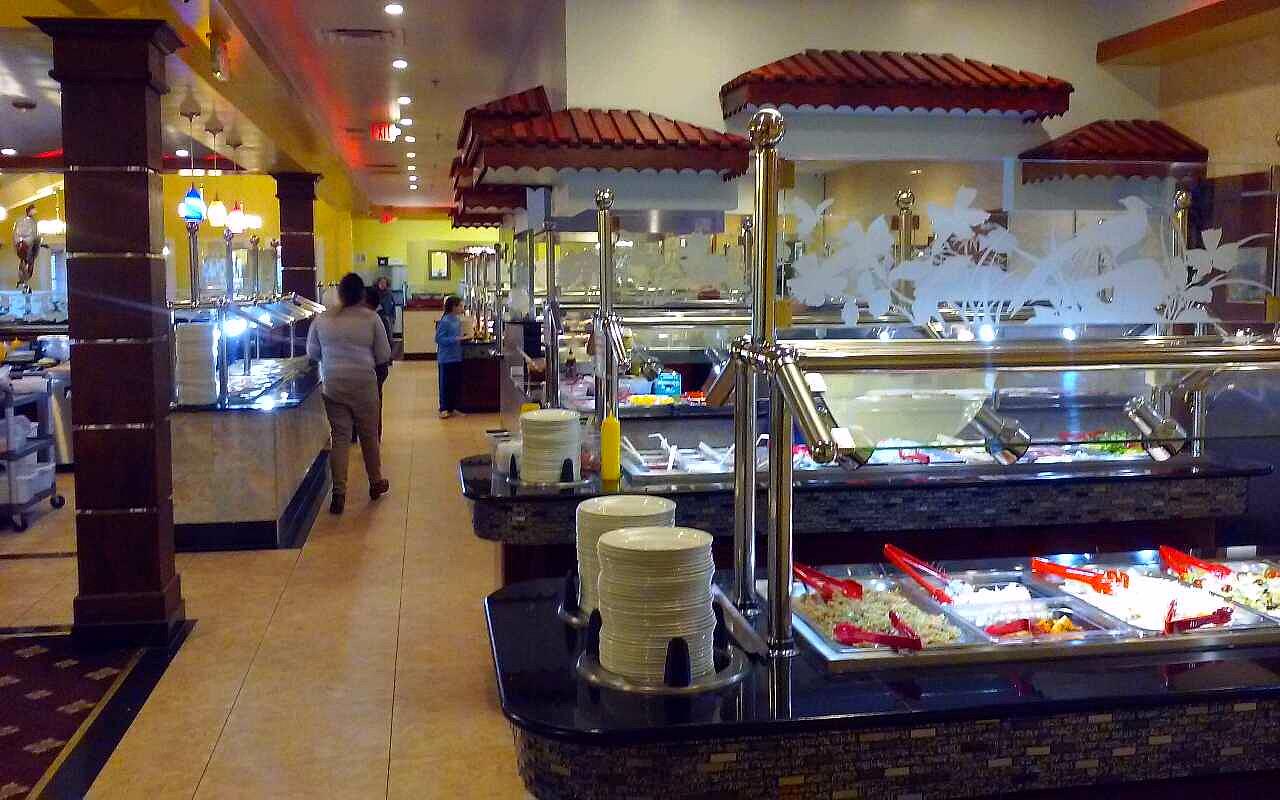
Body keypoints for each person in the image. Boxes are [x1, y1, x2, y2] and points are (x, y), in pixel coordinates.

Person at [307, 273, 392, 514]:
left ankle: (339, 493)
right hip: (364, 384)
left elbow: (313, 352)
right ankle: (375, 482)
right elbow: (384, 354)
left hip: (333, 384)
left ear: (340, 293)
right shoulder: (371, 318)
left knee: (340, 437)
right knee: (368, 436)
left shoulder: (322, 319)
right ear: (362, 294)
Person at [435, 295, 469, 419]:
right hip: (446, 358)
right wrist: (456, 339)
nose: (462, 308)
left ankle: (453, 407)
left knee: (455, 384)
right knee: (445, 384)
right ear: (453, 307)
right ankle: (444, 408)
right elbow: (439, 339)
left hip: (456, 356)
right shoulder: (445, 321)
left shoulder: (457, 320)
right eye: (460, 306)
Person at [374, 276, 396, 345]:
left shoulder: (388, 294)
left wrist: (380, 306)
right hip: (379, 317)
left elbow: (387, 308)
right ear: (378, 283)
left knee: (388, 336)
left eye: (384, 283)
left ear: (387, 284)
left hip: (387, 317)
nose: (382, 284)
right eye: (381, 283)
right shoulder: (375, 293)